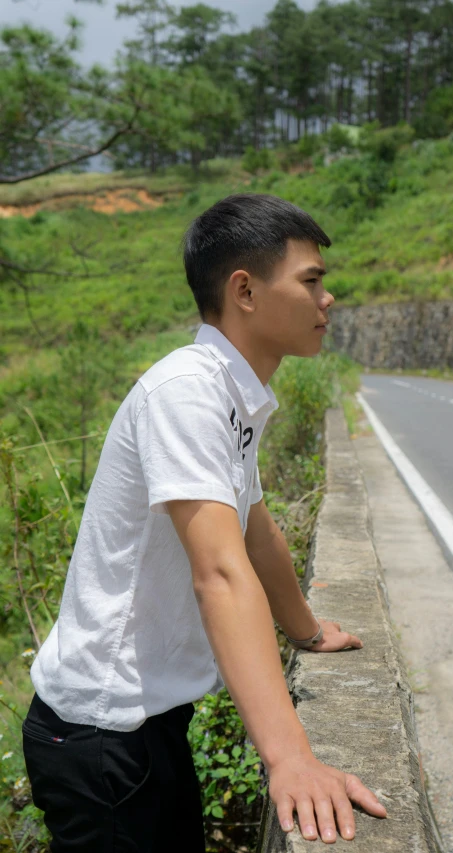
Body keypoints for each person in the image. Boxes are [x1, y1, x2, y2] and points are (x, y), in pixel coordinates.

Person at [22, 193, 387, 851]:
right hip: (97, 729)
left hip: (149, 720)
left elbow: (255, 530)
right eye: (311, 280)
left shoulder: (231, 395)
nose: (328, 298)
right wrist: (290, 757)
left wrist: (306, 629)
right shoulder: (187, 392)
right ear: (244, 290)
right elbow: (220, 572)